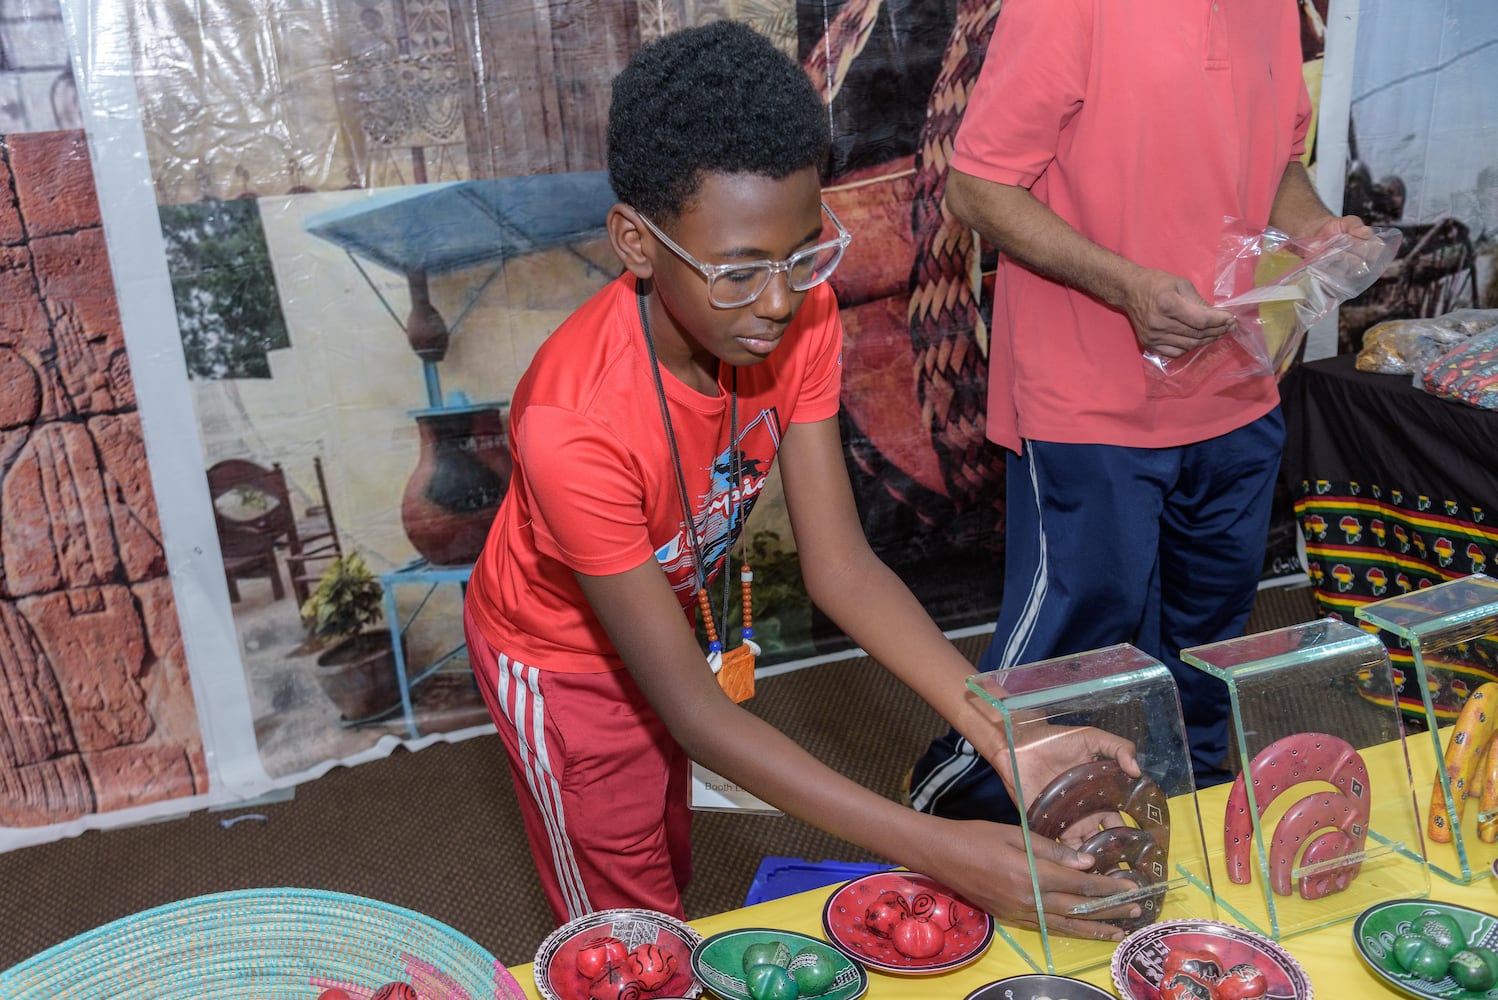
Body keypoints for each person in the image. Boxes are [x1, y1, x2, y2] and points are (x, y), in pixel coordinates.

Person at [463, 19, 1141, 938]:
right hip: (562, 658)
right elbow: (701, 718)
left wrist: (1003, 731)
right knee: (624, 923)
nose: (780, 300)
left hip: (667, 616)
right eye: (739, 272)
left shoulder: (795, 313)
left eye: (800, 254)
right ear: (635, 241)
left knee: (666, 842)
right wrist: (942, 852)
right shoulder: (569, 423)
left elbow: (843, 568)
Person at [909, 0, 1372, 822]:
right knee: (1067, 666)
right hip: (1088, 402)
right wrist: (1127, 287)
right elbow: (978, 189)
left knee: (1208, 653)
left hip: (1234, 387)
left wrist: (1318, 231)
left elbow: (1271, 160)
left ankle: (1184, 822)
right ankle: (953, 820)